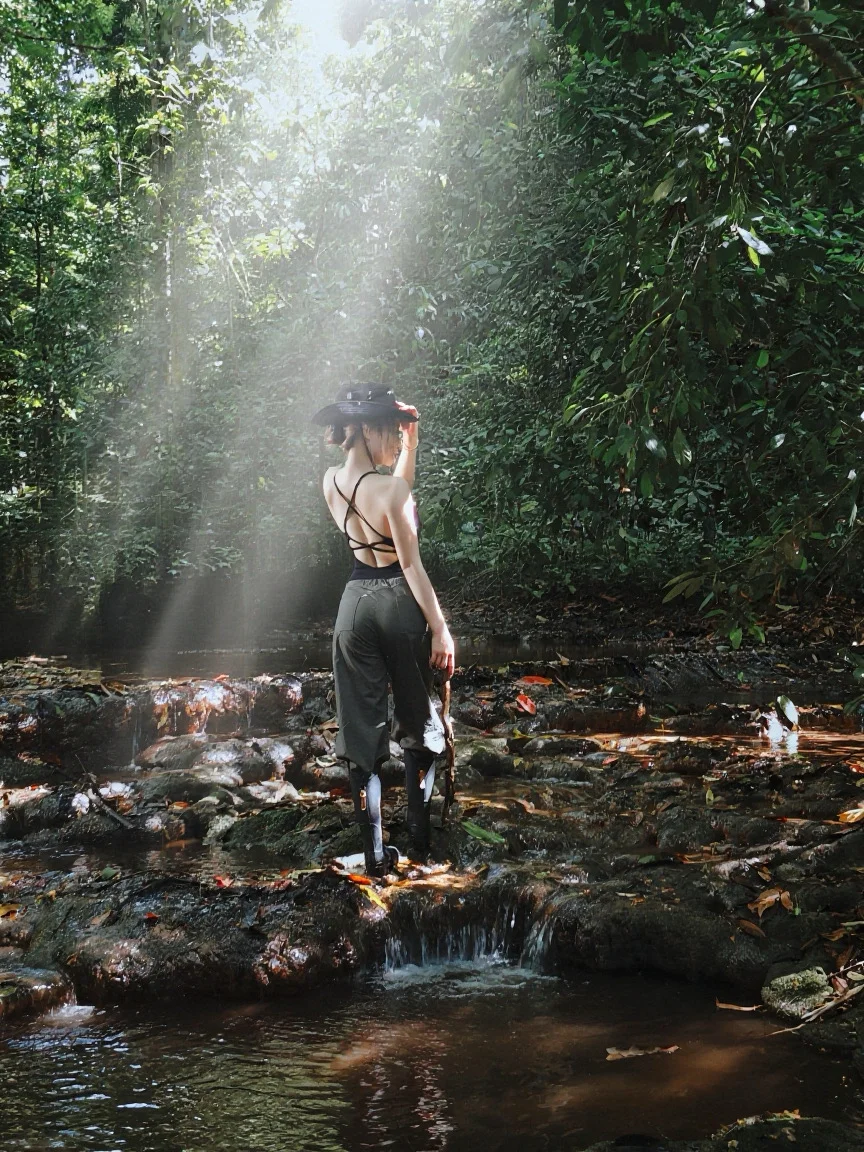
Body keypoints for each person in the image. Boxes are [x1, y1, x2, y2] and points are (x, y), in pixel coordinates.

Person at [311, 384, 455, 878]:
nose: (396, 440)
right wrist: (440, 629)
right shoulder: (391, 490)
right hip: (398, 602)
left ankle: (374, 856)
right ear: (368, 429)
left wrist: (409, 448)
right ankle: (419, 842)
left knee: (361, 730)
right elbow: (410, 562)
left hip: (353, 605)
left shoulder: (330, 481)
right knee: (418, 721)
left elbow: (389, 498)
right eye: (392, 432)